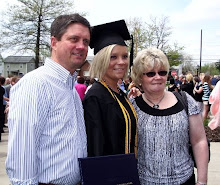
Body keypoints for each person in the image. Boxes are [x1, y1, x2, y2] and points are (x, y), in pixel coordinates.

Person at [6, 13, 91, 185]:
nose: (81, 46)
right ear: (54, 42)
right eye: (74, 39)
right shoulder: (35, 84)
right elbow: (22, 157)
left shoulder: (71, 89)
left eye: (86, 41)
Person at [130, 48, 209, 185]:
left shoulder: (185, 101)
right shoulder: (132, 107)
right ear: (139, 77)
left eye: (162, 72)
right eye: (150, 73)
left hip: (184, 180)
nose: (158, 77)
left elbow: (199, 141)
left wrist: (202, 181)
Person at [82, 20, 138, 157]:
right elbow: (96, 148)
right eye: (113, 57)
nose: (121, 62)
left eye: (125, 56)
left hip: (128, 172)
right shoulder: (96, 96)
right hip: (111, 175)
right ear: (102, 60)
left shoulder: (119, 92)